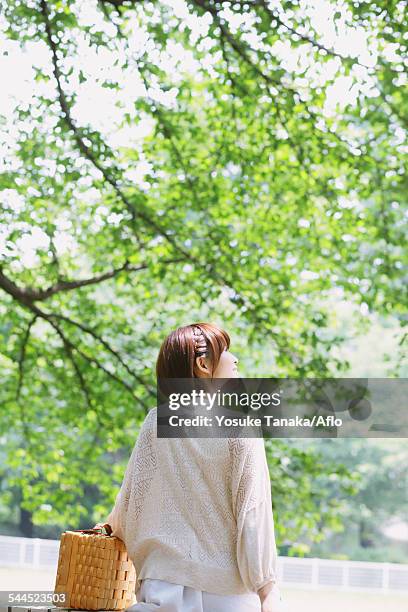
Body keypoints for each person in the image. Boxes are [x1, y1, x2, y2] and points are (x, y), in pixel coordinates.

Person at [95, 323, 285, 611]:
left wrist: (105, 528)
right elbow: (252, 512)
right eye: (226, 352)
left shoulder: (156, 421)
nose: (234, 360)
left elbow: (130, 503)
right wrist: (268, 589)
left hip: (162, 589)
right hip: (225, 594)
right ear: (203, 364)